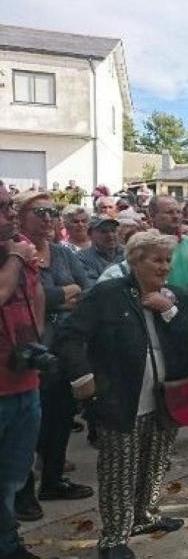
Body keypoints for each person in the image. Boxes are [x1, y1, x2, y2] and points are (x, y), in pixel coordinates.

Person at [57, 230, 188, 559]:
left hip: (165, 398)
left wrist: (168, 310)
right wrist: (83, 377)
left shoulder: (174, 295)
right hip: (121, 399)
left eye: (167, 260)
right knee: (119, 471)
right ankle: (113, 539)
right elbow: (69, 336)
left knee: (154, 464)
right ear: (135, 261)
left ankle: (144, 516)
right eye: (155, 260)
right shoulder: (108, 294)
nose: (163, 267)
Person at [13, 191, 93, 523]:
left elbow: (87, 289)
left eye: (51, 212)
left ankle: (54, 480)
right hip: (31, 350)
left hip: (65, 350)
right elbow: (30, 296)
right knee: (27, 427)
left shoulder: (63, 253)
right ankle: (23, 492)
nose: (47, 218)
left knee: (60, 418)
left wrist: (55, 298)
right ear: (20, 217)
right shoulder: (15, 255)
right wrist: (65, 293)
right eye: (39, 212)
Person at [0, 181, 45, 559]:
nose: (9, 215)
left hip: (25, 381)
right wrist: (16, 258)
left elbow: (35, 294)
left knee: (13, 476)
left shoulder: (19, 251)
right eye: (1, 209)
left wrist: (36, 341)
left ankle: (8, 539)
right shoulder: (14, 254)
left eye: (9, 207)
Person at [78, 217, 125, 284]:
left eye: (113, 231)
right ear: (90, 234)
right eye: (104, 231)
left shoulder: (128, 252)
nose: (110, 235)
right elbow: (92, 288)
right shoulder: (82, 258)